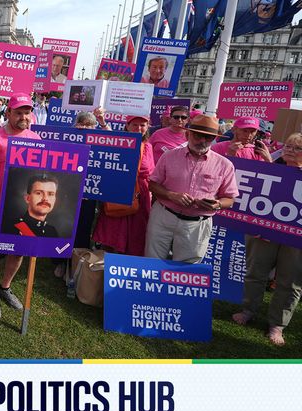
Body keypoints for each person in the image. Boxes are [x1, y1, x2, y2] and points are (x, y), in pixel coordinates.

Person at [231, 133, 302, 346]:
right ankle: (248, 310)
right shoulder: (267, 167)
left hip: (296, 239)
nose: (289, 150)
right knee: (255, 272)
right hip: (264, 233)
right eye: (288, 146)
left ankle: (277, 324)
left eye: (296, 148)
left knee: (290, 282)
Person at [145, 115, 239, 263]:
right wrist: (171, 195)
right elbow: (152, 184)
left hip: (197, 223)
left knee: (186, 272)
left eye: (208, 137)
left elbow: (230, 198)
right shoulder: (169, 156)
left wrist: (217, 204)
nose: (202, 141)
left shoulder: (224, 165)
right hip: (164, 216)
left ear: (214, 138)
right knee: (151, 262)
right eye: (198, 135)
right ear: (187, 134)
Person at [0, 92, 40, 318]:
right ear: (9, 113)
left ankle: (5, 286)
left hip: (25, 209)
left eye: (27, 112)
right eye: (19, 112)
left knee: (19, 251)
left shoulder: (36, 140)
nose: (24, 116)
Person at [93, 115, 155, 256]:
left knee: (137, 232)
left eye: (142, 125)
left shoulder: (148, 146)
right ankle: (105, 266)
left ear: (147, 127)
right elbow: (108, 138)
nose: (138, 128)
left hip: (140, 195)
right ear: (127, 126)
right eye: (135, 125)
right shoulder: (119, 142)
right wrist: (102, 122)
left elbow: (151, 171)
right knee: (114, 230)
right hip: (119, 191)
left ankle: (128, 268)